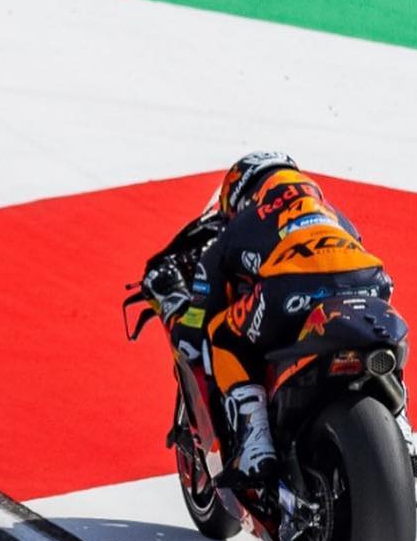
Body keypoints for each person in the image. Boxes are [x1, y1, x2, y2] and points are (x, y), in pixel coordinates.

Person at [143, 151, 403, 484]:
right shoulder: (332, 213)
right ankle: (402, 432)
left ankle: (256, 441)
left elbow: (205, 294)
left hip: (292, 290)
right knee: (384, 342)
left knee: (222, 334)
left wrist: (187, 328)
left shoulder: (249, 218)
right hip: (371, 282)